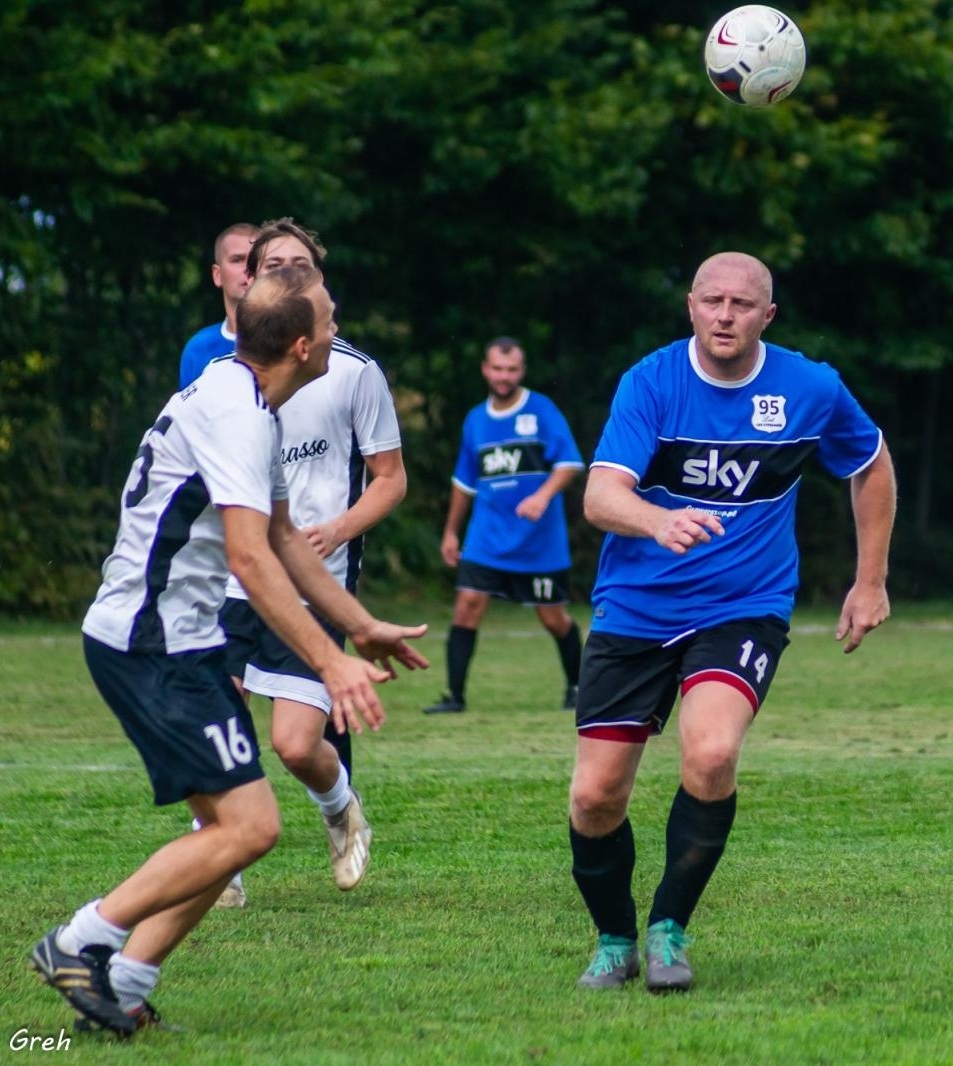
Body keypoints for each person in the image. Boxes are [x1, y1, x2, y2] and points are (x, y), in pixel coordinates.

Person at [30, 266, 428, 1035]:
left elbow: (283, 537)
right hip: (153, 645)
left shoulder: (242, 397)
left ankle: (124, 988)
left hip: (178, 642)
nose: (339, 331)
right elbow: (250, 558)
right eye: (331, 321)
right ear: (303, 345)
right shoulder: (242, 416)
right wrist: (330, 661)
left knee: (231, 833)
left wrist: (361, 624)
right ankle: (80, 942)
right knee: (250, 828)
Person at [567, 252, 896, 992]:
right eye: (711, 301)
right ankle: (615, 938)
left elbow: (871, 464)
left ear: (767, 316)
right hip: (636, 608)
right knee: (595, 798)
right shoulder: (651, 382)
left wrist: (870, 580)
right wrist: (658, 520)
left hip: (743, 606)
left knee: (712, 754)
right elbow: (600, 496)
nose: (724, 315)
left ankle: (668, 928)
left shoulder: (810, 387)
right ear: (690, 306)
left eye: (741, 304)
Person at [205, 218, 407, 906]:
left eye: (302, 266)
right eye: (274, 266)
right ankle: (220, 859)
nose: (289, 276)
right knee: (221, 719)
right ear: (250, 279)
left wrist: (338, 530)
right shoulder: (222, 377)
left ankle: (341, 809)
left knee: (295, 746)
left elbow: (391, 478)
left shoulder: (352, 371)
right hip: (233, 578)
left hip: (315, 584)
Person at [422, 338, 585, 715]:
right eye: (497, 368)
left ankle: (578, 688)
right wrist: (451, 532)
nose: (504, 376)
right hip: (487, 538)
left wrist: (542, 496)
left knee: (553, 617)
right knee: (467, 605)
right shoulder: (476, 420)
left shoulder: (541, 410)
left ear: (521, 372)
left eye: (511, 370)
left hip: (539, 542)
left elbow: (570, 464)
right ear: (485, 369)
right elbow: (464, 483)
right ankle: (454, 697)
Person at [179, 223, 257, 389]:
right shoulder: (198, 349)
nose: (248, 269)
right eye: (237, 260)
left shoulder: (290, 342)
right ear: (217, 275)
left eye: (255, 260)